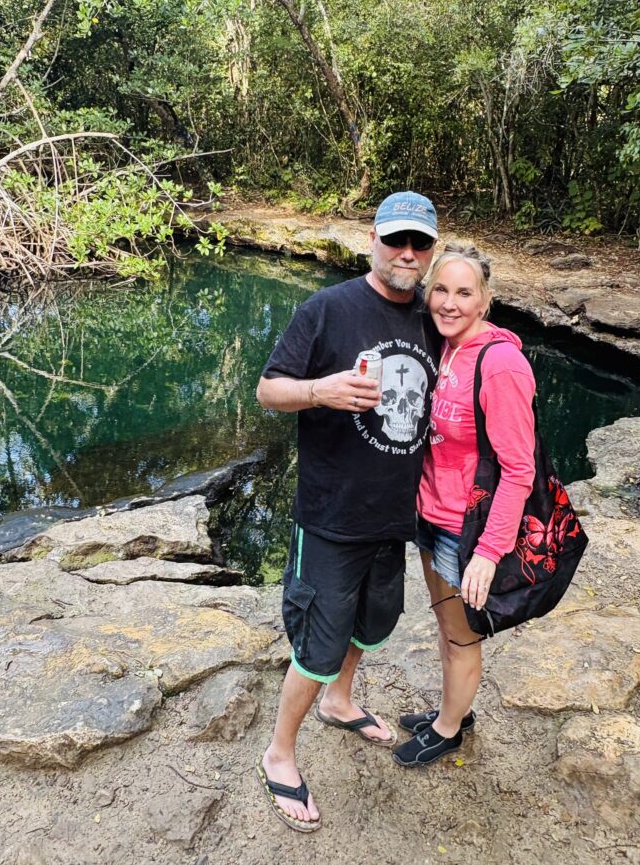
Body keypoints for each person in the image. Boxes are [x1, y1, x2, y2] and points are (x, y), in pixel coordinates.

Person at [255, 192, 440, 831]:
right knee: (318, 642)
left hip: (395, 516)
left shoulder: (431, 319)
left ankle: (340, 701)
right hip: (331, 517)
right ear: (374, 241)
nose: (407, 254)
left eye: (420, 244)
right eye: (396, 241)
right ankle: (280, 753)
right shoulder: (327, 309)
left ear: (431, 251)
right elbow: (268, 390)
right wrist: (320, 391)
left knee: (374, 621)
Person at [391, 242, 536, 768]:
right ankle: (452, 708)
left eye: (464, 292)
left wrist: (490, 550)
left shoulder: (500, 364)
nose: (450, 303)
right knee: (446, 624)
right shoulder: (446, 346)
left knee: (461, 634)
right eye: (442, 290)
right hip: (431, 515)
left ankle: (449, 728)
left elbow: (519, 469)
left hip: (467, 530)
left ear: (485, 301)